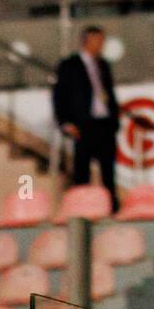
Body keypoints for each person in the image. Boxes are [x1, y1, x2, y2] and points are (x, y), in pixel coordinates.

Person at [52, 26, 122, 209]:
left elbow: (109, 93)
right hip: (83, 124)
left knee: (108, 170)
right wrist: (64, 122)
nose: (101, 45)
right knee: (82, 171)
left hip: (104, 124)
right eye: (98, 40)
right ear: (87, 41)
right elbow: (59, 95)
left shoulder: (103, 65)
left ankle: (111, 208)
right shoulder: (69, 65)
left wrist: (115, 120)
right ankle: (82, 209)